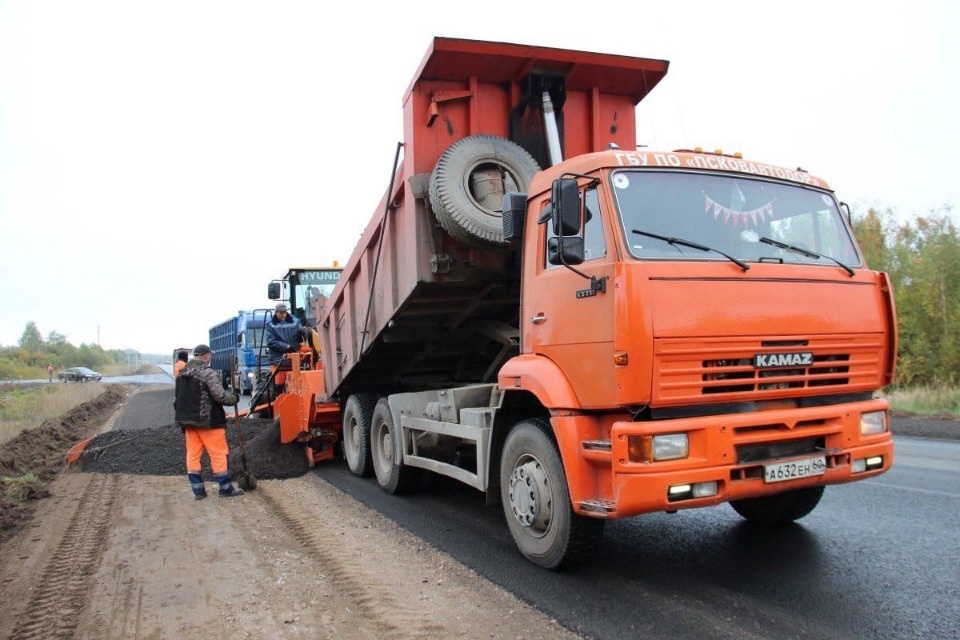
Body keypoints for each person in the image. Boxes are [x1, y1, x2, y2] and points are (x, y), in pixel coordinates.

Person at [173, 344, 244, 499]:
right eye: (209, 356)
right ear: (206, 356)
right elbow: (220, 396)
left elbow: (176, 400)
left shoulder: (182, 374)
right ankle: (225, 488)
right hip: (209, 422)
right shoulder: (207, 373)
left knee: (193, 455)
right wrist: (234, 398)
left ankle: (198, 491)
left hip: (188, 423)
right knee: (218, 454)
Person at [265, 302, 304, 395]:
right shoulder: (270, 325)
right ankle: (278, 400)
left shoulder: (295, 321)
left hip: (295, 360)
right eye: (281, 313)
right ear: (276, 313)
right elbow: (271, 342)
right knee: (279, 386)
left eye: (285, 312)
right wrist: (286, 347)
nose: (283, 315)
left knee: (299, 384)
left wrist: (302, 334)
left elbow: (301, 334)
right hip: (278, 360)